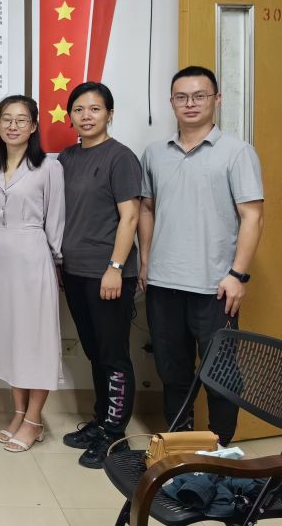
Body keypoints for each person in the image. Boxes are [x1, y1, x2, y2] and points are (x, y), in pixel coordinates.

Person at [139, 66, 263, 445]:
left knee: (221, 376)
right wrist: (145, 262)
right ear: (171, 102)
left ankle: (220, 452)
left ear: (217, 100)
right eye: (182, 97)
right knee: (172, 372)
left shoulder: (237, 152)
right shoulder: (154, 153)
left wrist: (237, 275)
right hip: (163, 284)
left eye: (199, 96)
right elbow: (147, 208)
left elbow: (253, 216)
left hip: (215, 287)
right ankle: (178, 448)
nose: (190, 103)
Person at [58, 81, 141, 469]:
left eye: (94, 109)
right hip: (75, 272)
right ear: (70, 116)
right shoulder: (67, 158)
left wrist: (115, 268)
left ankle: (115, 435)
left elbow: (130, 217)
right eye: (79, 109)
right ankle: (100, 421)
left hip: (108, 274)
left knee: (113, 355)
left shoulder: (120, 158)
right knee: (94, 351)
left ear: (109, 114)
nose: (86, 116)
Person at [0, 95, 65, 453]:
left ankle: (34, 420)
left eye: (21, 119)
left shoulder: (48, 167)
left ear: (33, 126)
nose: (13, 125)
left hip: (33, 257)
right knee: (10, 337)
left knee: (36, 340)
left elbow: (56, 219)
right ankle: (19, 412)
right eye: (6, 119)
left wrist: (56, 263)